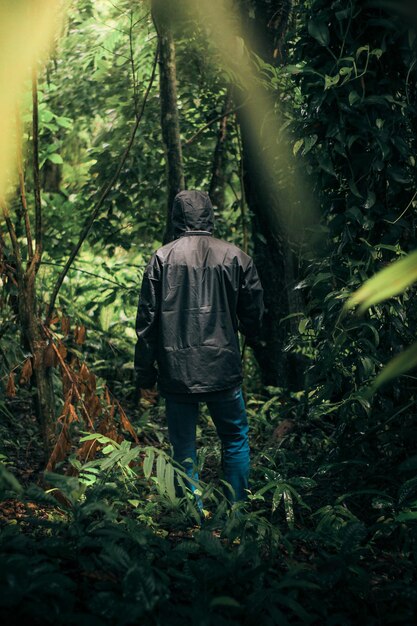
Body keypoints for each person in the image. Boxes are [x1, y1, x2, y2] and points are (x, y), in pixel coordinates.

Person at [134, 189, 264, 509]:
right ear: (209, 215)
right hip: (223, 368)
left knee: (183, 447)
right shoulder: (235, 256)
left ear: (177, 217)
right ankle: (235, 512)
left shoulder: (162, 258)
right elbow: (255, 314)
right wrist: (251, 336)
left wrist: (144, 373)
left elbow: (147, 322)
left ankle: (191, 514)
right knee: (234, 439)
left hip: (177, 371)